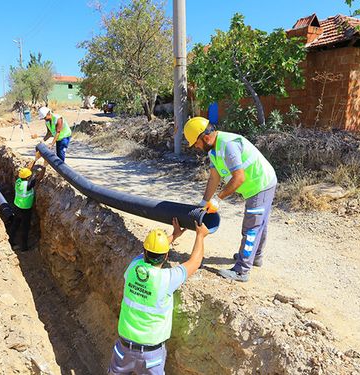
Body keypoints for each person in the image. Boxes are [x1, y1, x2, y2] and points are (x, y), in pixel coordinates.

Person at [108, 219, 209, 374]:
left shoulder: (134, 266)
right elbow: (195, 262)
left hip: (124, 350)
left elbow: (149, 252)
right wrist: (200, 236)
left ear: (144, 252)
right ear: (166, 256)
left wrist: (173, 236)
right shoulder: (166, 279)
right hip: (151, 356)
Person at [183, 117, 277, 282]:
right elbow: (214, 178)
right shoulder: (213, 150)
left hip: (260, 185)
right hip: (257, 185)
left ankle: (242, 270)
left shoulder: (228, 145)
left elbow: (238, 178)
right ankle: (255, 256)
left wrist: (218, 199)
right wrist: (204, 202)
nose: (196, 147)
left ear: (204, 137)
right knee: (259, 222)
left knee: (252, 227)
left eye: (195, 143)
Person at [8, 165, 45, 252]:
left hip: (17, 206)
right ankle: (24, 247)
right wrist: (44, 166)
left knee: (15, 224)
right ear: (27, 177)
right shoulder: (28, 185)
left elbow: (26, 173)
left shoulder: (18, 181)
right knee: (25, 228)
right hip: (25, 209)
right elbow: (37, 177)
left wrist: (34, 161)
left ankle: (10, 241)